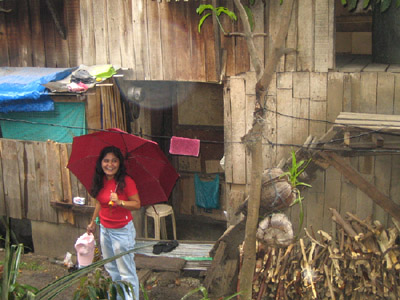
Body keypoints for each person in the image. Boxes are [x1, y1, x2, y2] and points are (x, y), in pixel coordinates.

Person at [87, 146, 141, 300]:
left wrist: (120, 202)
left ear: (119, 163)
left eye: (114, 161)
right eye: (106, 161)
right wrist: (92, 223)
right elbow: (99, 203)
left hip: (122, 231)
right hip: (105, 230)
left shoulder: (126, 181)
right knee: (111, 268)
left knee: (126, 272)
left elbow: (137, 204)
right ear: (101, 162)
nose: (110, 164)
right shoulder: (100, 180)